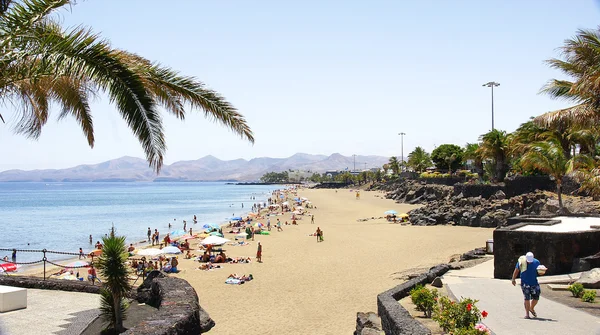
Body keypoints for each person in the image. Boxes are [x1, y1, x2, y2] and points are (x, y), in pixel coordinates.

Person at [512, 251, 543, 319]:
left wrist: (542, 272)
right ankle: (527, 314)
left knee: (536, 297)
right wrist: (513, 279)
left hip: (534, 282)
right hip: (525, 283)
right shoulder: (521, 262)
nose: (529, 262)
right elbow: (516, 270)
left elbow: (539, 271)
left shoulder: (536, 262)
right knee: (527, 298)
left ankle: (531, 308)